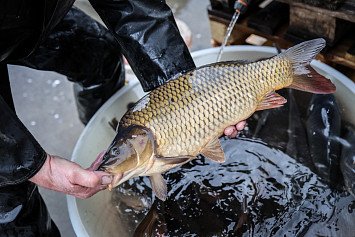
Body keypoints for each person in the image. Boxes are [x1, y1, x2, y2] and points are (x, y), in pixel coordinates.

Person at [0, 0, 245, 235]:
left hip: (33, 15)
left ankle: (112, 140)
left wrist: (181, 90)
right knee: (11, 200)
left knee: (100, 53)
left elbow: (133, 5)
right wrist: (39, 166)